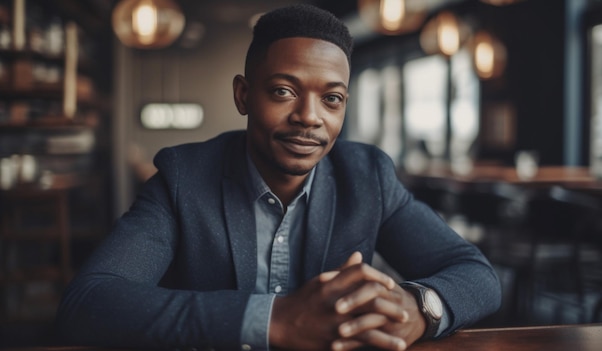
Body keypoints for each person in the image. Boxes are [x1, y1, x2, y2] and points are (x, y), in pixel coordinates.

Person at [56, 4, 501, 351]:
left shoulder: (368, 177)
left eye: (332, 98)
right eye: (284, 91)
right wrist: (275, 319)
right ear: (244, 95)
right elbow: (90, 301)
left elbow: (476, 274)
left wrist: (418, 307)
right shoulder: (182, 177)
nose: (309, 117)